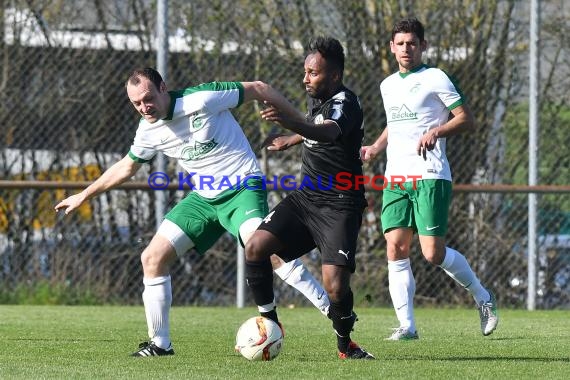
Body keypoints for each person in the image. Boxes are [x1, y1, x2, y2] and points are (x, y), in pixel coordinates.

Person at [54, 68, 331, 357]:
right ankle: (160, 344)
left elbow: (260, 87)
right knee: (152, 257)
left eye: (148, 98)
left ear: (163, 88)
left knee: (264, 249)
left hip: (242, 188)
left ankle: (331, 310)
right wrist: (84, 195)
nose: (144, 107)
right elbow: (127, 167)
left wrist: (302, 124)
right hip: (204, 198)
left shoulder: (202, 98)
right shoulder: (148, 129)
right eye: (136, 103)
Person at [361, 18, 499, 340]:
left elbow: (466, 119)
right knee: (395, 247)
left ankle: (484, 297)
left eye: (412, 43)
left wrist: (437, 130)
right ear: (392, 47)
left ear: (423, 46)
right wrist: (375, 148)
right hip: (396, 177)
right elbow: (394, 124)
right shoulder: (387, 85)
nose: (406, 48)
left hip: (429, 175)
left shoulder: (435, 77)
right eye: (400, 43)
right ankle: (407, 326)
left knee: (432, 254)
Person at [245, 36, 375, 359]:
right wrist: (291, 139)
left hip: (340, 205)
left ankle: (346, 344)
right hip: (307, 199)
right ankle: (271, 327)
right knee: (256, 246)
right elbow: (314, 125)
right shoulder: (316, 97)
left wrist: (291, 121)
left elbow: (329, 131)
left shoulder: (347, 102)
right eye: (305, 71)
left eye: (313, 73)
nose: (306, 78)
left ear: (334, 75)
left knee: (335, 287)